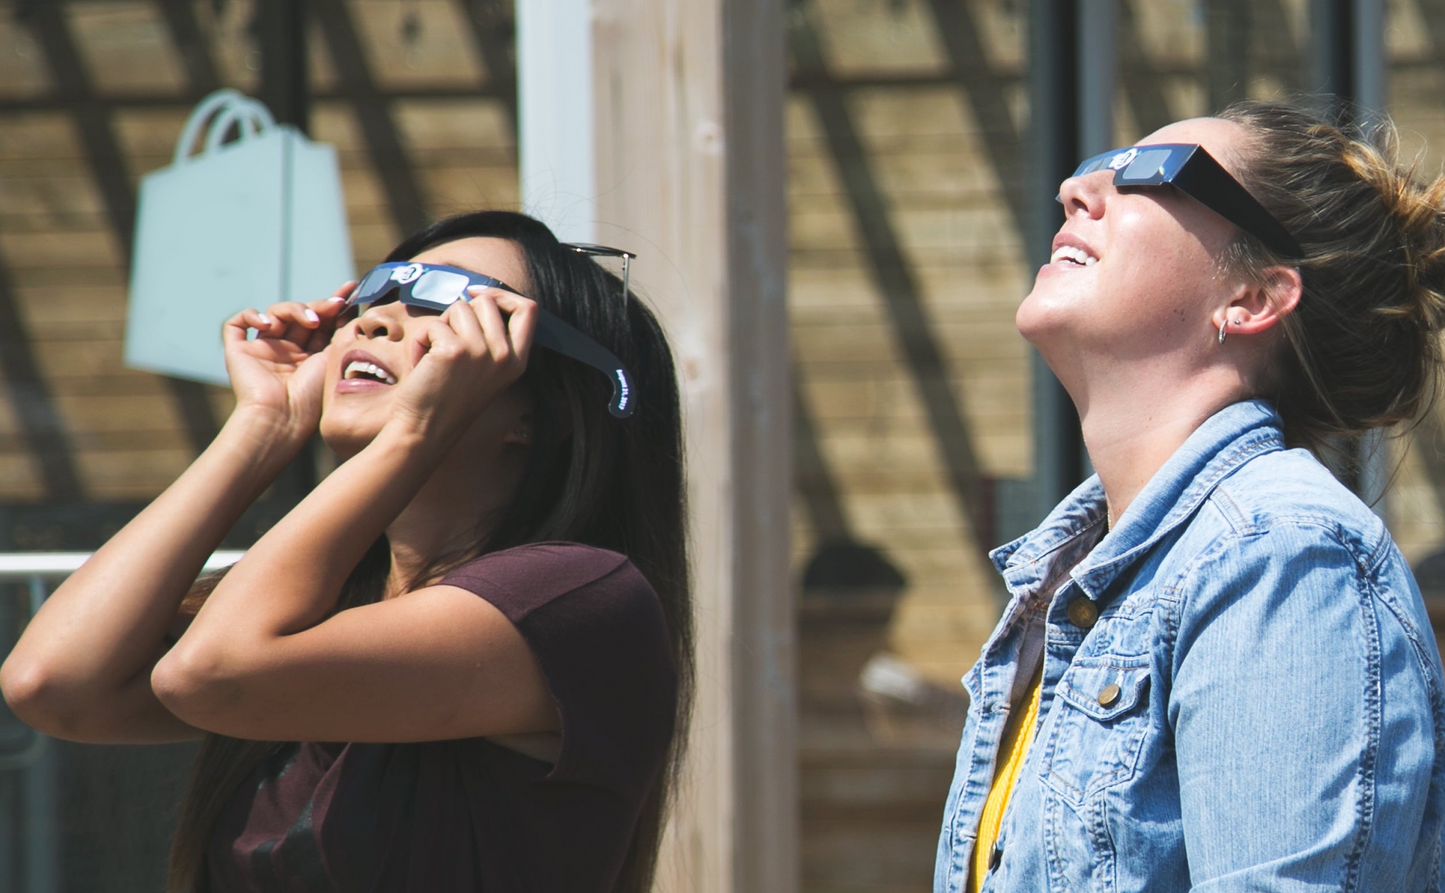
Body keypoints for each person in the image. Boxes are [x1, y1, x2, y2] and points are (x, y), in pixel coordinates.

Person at [0, 210, 692, 893]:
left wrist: (416, 428)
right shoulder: (309, 604)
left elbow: (208, 672)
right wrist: (264, 426)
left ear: (542, 412)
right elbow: (53, 685)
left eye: (450, 305)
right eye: (376, 292)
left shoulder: (579, 598)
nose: (375, 320)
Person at [934, 101, 1445, 892]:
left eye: (1146, 173)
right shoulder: (1074, 585)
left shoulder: (1282, 558)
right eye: (1100, 157)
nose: (1077, 187)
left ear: (1249, 299)